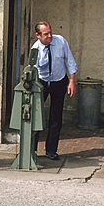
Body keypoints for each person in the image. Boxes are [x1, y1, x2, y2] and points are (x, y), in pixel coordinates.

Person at [31, 21, 77, 160]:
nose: (49, 36)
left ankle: (51, 150)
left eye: (50, 32)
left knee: (56, 116)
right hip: (42, 82)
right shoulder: (35, 49)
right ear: (38, 35)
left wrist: (72, 81)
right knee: (36, 116)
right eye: (46, 34)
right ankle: (32, 150)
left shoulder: (60, 41)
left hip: (59, 80)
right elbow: (32, 70)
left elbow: (70, 61)